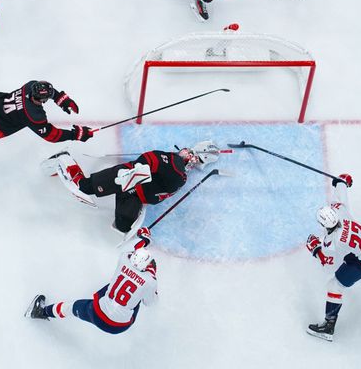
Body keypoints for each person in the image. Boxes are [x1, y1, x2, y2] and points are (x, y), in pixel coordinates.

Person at [49, 141, 220, 233]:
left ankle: (121, 194)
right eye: (197, 160)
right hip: (124, 177)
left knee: (123, 226)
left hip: (134, 193)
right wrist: (133, 173)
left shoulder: (179, 173)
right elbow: (148, 158)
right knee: (84, 187)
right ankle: (64, 159)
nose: (195, 164)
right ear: (192, 155)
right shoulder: (175, 166)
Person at [26, 227, 158, 334]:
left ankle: (42, 312)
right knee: (140, 294)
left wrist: (144, 239)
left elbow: (134, 249)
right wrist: (152, 275)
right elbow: (151, 303)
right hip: (120, 326)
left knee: (72, 307)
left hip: (97, 313)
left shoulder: (124, 259)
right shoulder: (150, 281)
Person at [305, 174, 361, 342]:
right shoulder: (340, 211)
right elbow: (341, 197)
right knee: (349, 259)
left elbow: (327, 265)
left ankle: (328, 326)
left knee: (335, 284)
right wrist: (341, 182)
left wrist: (315, 249)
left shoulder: (331, 243)